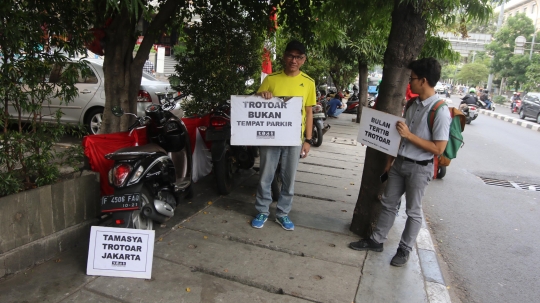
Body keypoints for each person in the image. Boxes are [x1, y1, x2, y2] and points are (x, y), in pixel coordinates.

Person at [348, 57, 451, 267]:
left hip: (419, 168)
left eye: (412, 79)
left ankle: (404, 249)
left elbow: (439, 149)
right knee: (388, 204)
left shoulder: (440, 110)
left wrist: (410, 136)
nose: (409, 83)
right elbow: (398, 138)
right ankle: (377, 240)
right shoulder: (413, 104)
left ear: (423, 80)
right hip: (399, 163)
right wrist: (390, 161)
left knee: (413, 211)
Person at [251, 40, 316, 231]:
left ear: (303, 60)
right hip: (270, 136)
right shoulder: (270, 80)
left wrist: (308, 140)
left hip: (295, 139)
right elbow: (256, 106)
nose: (293, 60)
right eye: (290, 55)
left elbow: (309, 112)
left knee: (289, 178)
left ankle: (282, 213)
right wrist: (263, 97)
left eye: (298, 57)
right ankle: (262, 210)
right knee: (265, 175)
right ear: (284, 56)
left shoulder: (309, 83)